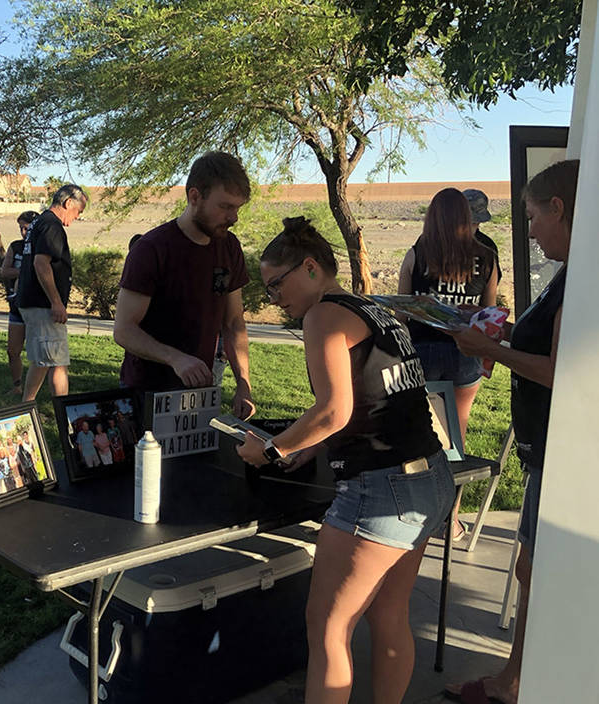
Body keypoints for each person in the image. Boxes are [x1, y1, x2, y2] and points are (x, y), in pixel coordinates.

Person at [239, 216, 452, 704]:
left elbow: (333, 410)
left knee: (329, 629)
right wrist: (308, 444)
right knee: (389, 616)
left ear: (310, 267)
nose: (275, 298)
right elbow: (371, 401)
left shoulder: (323, 316)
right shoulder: (372, 308)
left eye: (277, 284)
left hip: (381, 492)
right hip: (428, 476)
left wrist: (272, 448)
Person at [444, 160, 578, 704]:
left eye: (530, 217)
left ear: (558, 208)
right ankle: (515, 678)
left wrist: (489, 349)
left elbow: (561, 371)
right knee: (529, 564)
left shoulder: (583, 278)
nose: (528, 230)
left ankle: (521, 681)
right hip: (543, 448)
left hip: (561, 451)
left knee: (538, 568)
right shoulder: (572, 272)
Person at [113, 151, 254, 418]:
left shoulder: (230, 247)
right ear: (194, 197)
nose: (233, 217)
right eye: (225, 207)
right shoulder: (152, 249)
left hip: (200, 393)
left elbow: (234, 322)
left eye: (238, 208)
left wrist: (243, 384)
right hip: (147, 391)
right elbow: (123, 330)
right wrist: (175, 358)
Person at [397, 187, 498, 541]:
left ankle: (410, 515)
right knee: (457, 439)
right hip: (465, 352)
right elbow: (488, 312)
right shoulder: (486, 257)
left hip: (422, 353)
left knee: (418, 436)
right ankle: (450, 520)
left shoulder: (418, 253)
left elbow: (401, 314)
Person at [16, 184, 87, 401]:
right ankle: (60, 415)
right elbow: (41, 263)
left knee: (45, 360)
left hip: (33, 302)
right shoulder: (52, 226)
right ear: (68, 203)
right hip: (43, 305)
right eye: (78, 211)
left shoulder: (39, 222)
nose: (77, 217)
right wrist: (56, 302)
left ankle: (27, 407)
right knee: (55, 362)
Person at [0, 211, 40, 396]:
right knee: (12, 350)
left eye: (26, 228)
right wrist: (25, 271)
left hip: (36, 306)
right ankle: (17, 385)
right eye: (20, 228)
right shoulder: (15, 247)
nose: (23, 232)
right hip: (16, 306)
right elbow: (5, 271)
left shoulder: (42, 246)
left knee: (38, 352)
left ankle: (33, 392)